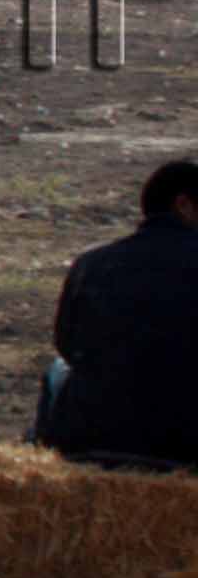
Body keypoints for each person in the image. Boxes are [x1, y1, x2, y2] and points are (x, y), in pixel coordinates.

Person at [29, 161, 198, 466]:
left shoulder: (91, 264)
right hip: (185, 446)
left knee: (58, 371)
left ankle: (42, 458)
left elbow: (67, 347)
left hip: (88, 439)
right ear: (184, 205)